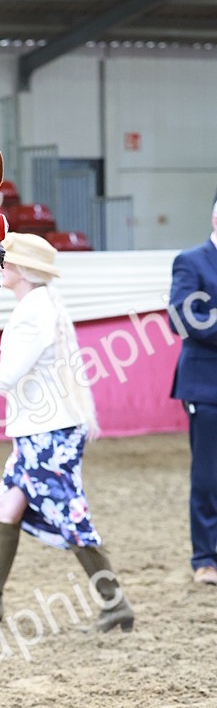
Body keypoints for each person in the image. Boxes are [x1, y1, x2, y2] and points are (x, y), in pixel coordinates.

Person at [0, 232, 134, 633]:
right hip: (44, 430)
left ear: (23, 271)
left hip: (47, 433)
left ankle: (115, 602)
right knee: (6, 506)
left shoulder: (33, 312)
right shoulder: (41, 305)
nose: (1, 268)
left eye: (6, 264)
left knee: (71, 514)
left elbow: (6, 377)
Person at [168, 202, 217, 585]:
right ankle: (205, 558)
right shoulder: (192, 261)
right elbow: (182, 317)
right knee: (207, 474)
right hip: (206, 385)